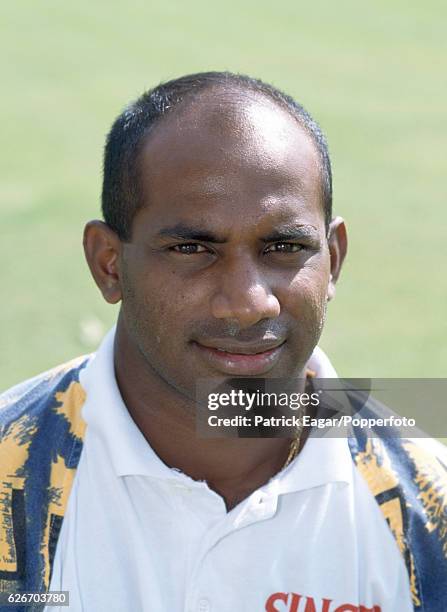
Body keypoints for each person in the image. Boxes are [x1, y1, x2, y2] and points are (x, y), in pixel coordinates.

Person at [0, 72, 446, 612]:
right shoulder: (12, 469)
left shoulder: (429, 504)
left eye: (284, 245)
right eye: (192, 249)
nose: (248, 302)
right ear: (109, 263)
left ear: (334, 259)